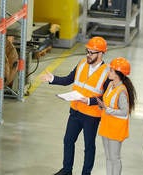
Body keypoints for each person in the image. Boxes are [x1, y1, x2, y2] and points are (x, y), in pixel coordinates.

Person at [40, 36, 111, 175]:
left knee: (88, 146)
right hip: (76, 111)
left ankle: (86, 173)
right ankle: (67, 171)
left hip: (91, 116)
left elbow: (106, 98)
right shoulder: (82, 63)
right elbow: (68, 79)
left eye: (92, 53)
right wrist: (52, 79)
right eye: (87, 51)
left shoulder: (107, 72)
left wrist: (90, 101)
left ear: (101, 53)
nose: (88, 55)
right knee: (68, 141)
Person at [97, 57, 137, 175]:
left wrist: (108, 109)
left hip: (116, 129)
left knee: (115, 158)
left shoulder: (122, 91)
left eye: (111, 71)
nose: (108, 72)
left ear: (117, 74)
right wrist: (102, 106)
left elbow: (124, 112)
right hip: (106, 126)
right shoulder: (110, 85)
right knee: (108, 157)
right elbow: (108, 102)